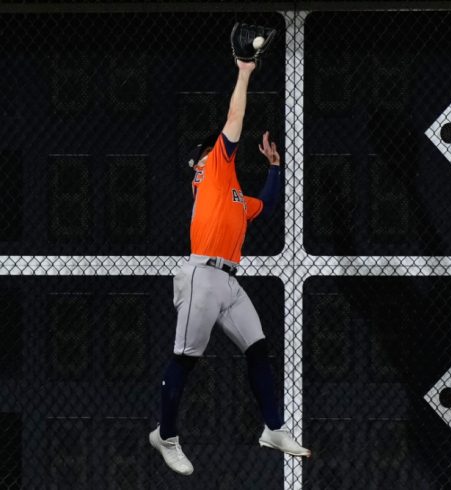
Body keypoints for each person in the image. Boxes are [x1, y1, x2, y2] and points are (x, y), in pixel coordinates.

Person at [148, 59, 310, 476]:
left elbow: (267, 204)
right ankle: (165, 436)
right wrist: (245, 72)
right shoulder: (215, 169)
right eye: (212, 148)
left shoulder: (234, 196)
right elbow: (235, 116)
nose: (217, 149)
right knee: (185, 359)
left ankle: (273, 428)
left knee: (258, 349)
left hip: (228, 282)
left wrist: (274, 167)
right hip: (202, 275)